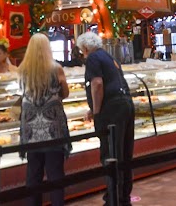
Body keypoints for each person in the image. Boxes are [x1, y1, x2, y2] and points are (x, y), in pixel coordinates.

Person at [76, 31, 135, 206]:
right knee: (124, 154)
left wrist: (96, 111)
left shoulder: (93, 58)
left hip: (112, 111)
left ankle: (113, 199)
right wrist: (92, 108)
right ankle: (123, 197)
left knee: (111, 154)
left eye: (82, 51)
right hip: (125, 105)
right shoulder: (109, 57)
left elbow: (97, 84)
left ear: (86, 48)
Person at [18, 34, 70, 206]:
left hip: (31, 129)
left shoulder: (23, 69)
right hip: (52, 127)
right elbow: (65, 93)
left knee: (33, 175)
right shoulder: (56, 68)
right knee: (55, 175)